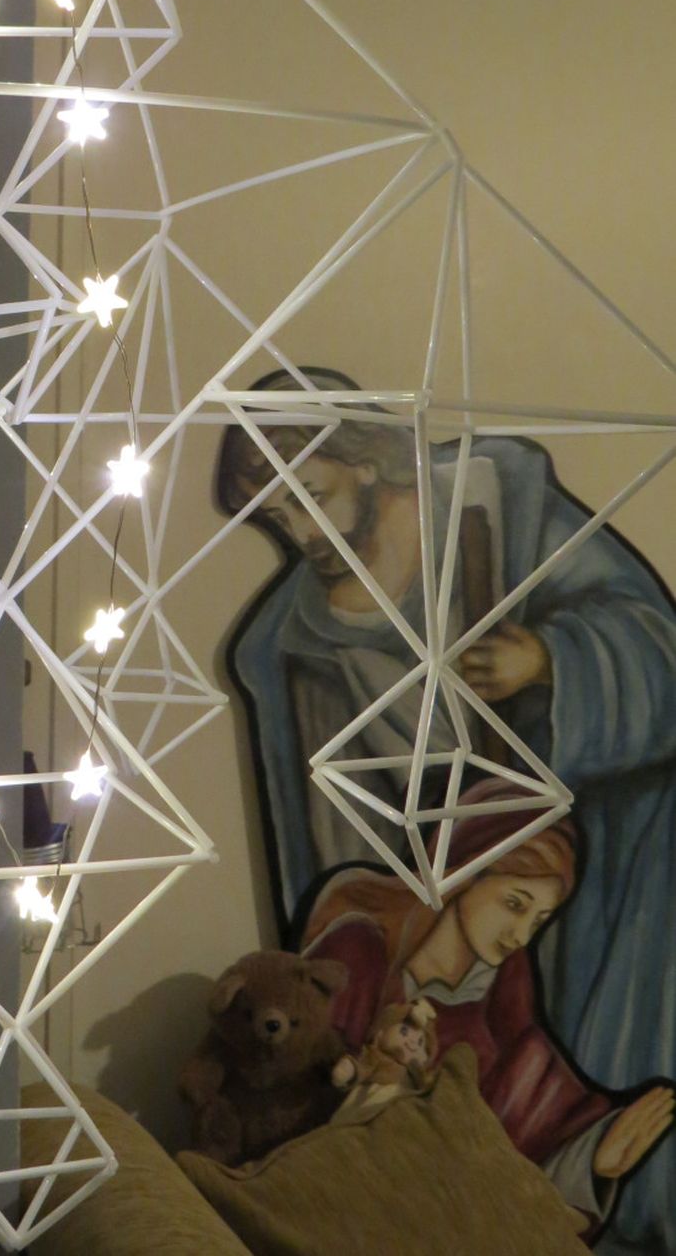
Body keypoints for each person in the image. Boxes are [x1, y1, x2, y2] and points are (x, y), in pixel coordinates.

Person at [216, 368, 676, 1251]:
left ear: (365, 461)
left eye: (311, 498)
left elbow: (658, 648)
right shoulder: (292, 649)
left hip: (604, 883)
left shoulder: (504, 512)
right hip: (445, 910)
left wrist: (549, 658)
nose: (302, 533)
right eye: (277, 517)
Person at [302, 784, 674, 1242]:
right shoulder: (360, 952)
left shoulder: (501, 997)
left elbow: (528, 1124)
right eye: (514, 904)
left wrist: (590, 1162)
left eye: (539, 919)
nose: (520, 936)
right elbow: (303, 1094)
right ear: (464, 874)